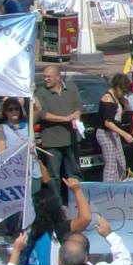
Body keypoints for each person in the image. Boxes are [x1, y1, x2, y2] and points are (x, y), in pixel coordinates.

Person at [34, 64, 83, 203]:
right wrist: (65, 118)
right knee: (54, 175)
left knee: (74, 172)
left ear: (58, 76)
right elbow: (43, 114)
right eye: (44, 77)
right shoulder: (41, 93)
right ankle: (57, 204)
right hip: (52, 141)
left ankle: (77, 201)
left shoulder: (71, 88)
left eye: (48, 77)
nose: (46, 79)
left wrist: (76, 115)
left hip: (72, 139)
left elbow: (79, 106)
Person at [96, 72, 133, 183]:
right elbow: (108, 123)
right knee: (111, 162)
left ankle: (120, 183)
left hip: (114, 133)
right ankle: (109, 188)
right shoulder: (108, 99)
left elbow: (119, 114)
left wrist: (125, 104)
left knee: (121, 162)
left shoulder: (117, 98)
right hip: (106, 133)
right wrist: (124, 134)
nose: (123, 94)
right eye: (122, 91)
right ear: (116, 87)